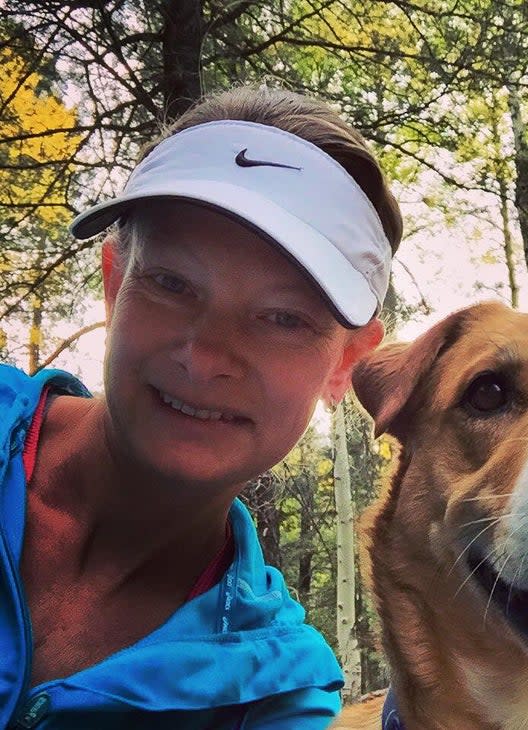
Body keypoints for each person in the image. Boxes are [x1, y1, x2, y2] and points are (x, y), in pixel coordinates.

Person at [0, 84, 402, 729]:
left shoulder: (275, 695)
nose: (205, 355)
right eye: (171, 283)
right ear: (114, 286)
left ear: (346, 365)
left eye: (282, 318)